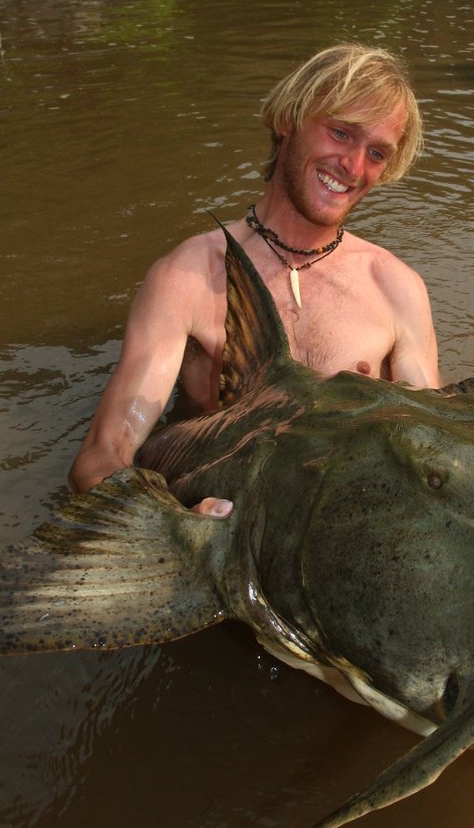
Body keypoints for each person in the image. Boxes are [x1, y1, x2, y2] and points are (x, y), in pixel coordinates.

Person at [69, 43, 440, 503]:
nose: (353, 167)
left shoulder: (397, 289)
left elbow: (433, 451)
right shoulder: (187, 278)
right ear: (289, 120)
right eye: (341, 133)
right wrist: (177, 522)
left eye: (378, 153)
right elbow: (103, 456)